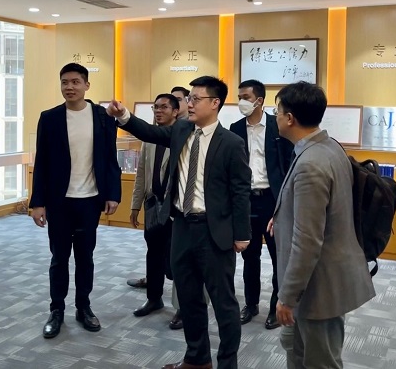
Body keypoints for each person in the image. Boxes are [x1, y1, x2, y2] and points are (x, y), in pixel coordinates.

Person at [108, 75, 251, 369]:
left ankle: (228, 364)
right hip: (182, 226)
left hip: (214, 231)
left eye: (196, 99)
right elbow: (149, 132)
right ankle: (197, 359)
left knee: (223, 303)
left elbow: (240, 192)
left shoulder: (231, 143)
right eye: (189, 99)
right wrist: (123, 116)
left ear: (215, 103)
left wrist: (242, 234)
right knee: (188, 298)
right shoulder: (181, 130)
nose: (190, 104)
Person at [269, 81, 375, 368]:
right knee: (299, 352)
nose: (275, 117)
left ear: (290, 118)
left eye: (277, 111)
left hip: (318, 287)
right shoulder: (326, 147)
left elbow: (307, 241)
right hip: (321, 279)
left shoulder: (310, 163)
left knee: (320, 361)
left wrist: (287, 297)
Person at [30, 62, 121, 339]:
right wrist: (38, 202)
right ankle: (56, 310)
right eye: (65, 82)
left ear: (86, 85)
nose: (69, 87)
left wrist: (113, 194)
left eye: (75, 82)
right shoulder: (50, 118)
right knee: (59, 258)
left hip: (89, 200)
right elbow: (42, 162)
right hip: (59, 202)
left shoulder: (103, 117)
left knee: (85, 257)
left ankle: (84, 307)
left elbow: (110, 158)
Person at [229, 79, 293, 330]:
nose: (241, 102)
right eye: (239, 97)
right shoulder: (235, 128)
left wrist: (285, 204)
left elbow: (288, 166)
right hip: (246, 201)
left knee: (278, 257)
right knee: (249, 256)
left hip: (272, 201)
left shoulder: (278, 127)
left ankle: (276, 306)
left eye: (245, 97)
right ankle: (251, 304)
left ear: (259, 100)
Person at [129, 94, 179, 321]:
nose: (159, 111)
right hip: (152, 205)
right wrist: (135, 206)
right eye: (155, 107)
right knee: (154, 253)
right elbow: (141, 173)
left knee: (176, 257)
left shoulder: (181, 136)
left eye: (164, 107)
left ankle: (181, 307)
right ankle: (154, 298)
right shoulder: (148, 138)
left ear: (175, 111)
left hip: (174, 208)